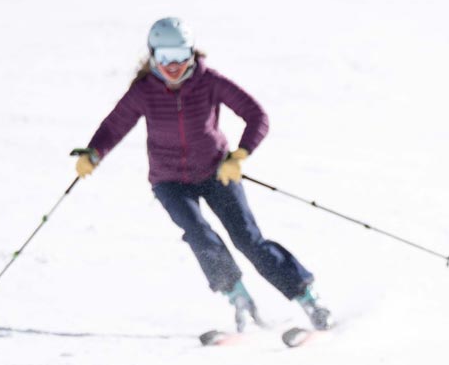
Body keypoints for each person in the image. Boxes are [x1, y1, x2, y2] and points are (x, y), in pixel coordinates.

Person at [71, 18, 332, 333]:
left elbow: (256, 115)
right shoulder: (144, 91)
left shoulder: (209, 81)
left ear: (192, 53)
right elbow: (116, 125)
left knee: (249, 240)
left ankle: (309, 298)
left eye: (180, 54)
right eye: (165, 56)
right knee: (199, 236)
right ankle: (239, 299)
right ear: (153, 55)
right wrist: (94, 153)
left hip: (216, 172)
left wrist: (240, 154)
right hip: (169, 181)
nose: (173, 64)